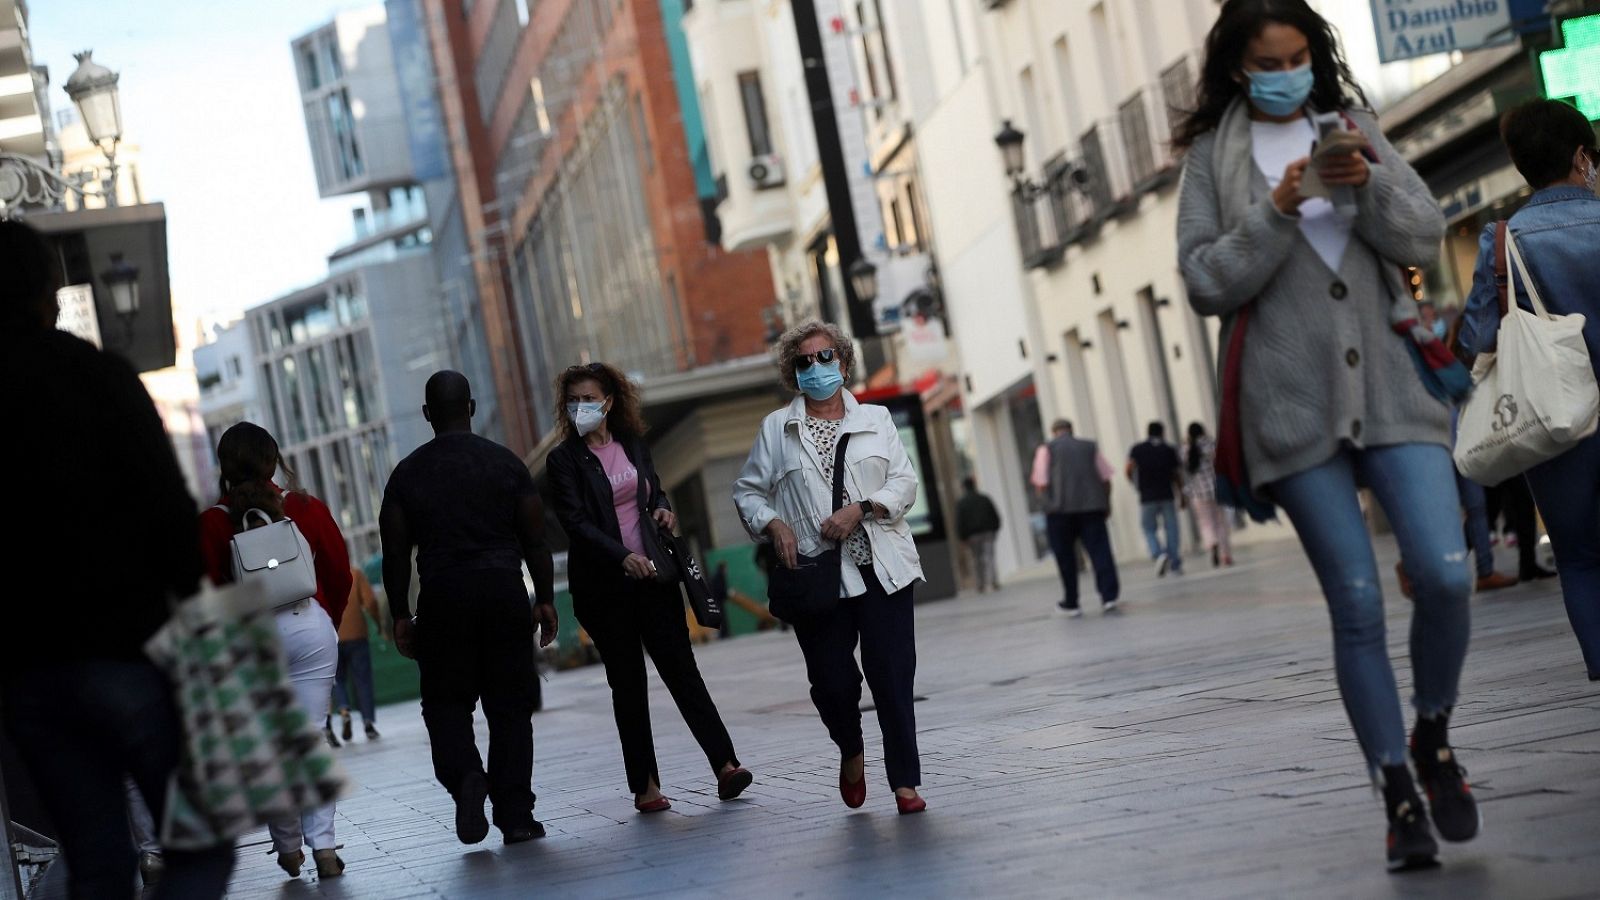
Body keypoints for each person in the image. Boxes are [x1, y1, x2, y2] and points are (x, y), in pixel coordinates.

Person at [1175, 0, 1477, 869]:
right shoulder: (1212, 159)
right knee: (1355, 601)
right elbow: (1201, 280)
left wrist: (1363, 185)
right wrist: (1277, 209)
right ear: (1240, 66)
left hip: (1392, 389)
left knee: (1447, 573)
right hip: (1289, 408)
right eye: (1270, 60)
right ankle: (1396, 791)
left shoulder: (1354, 125)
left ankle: (1433, 736)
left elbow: (1422, 231)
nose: (1288, 70)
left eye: (1300, 55)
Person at [0, 219, 236, 899]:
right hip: (124, 647)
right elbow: (167, 506)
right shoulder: (97, 377)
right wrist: (192, 609)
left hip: (28, 673)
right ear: (48, 292)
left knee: (99, 860)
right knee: (203, 843)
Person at [734, 320, 927, 815]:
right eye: (804, 361)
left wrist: (861, 508)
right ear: (792, 372)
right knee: (833, 683)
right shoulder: (777, 429)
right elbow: (748, 492)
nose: (816, 367)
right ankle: (850, 746)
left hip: (882, 566)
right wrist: (774, 524)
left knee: (892, 675)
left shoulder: (877, 419)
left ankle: (905, 783)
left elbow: (903, 482)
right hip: (818, 575)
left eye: (825, 357)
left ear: (843, 361)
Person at [547, 362, 752, 813]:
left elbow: (653, 491)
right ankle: (646, 787)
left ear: (610, 401)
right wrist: (622, 557)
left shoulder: (633, 445)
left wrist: (662, 509)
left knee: (683, 671)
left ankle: (726, 766)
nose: (581, 406)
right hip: (605, 589)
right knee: (629, 684)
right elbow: (576, 523)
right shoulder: (563, 461)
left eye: (589, 398)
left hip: (655, 577)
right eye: (573, 399)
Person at [379, 371, 558, 846]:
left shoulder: (407, 474)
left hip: (443, 597)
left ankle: (465, 779)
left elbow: (395, 552)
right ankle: (516, 815)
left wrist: (400, 612)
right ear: (472, 407)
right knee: (510, 709)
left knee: (445, 703)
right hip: (502, 590)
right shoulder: (506, 464)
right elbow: (535, 539)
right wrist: (544, 597)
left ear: (426, 415)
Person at [1457, 98, 1600, 681]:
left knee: (1580, 556)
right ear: (1582, 158)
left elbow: (1475, 337)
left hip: (1558, 422)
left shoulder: (1501, 243)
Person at [198, 422, 352, 879]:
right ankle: (323, 847)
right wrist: (327, 620)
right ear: (273, 461)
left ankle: (287, 847)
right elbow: (339, 572)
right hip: (309, 628)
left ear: (224, 467)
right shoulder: (304, 506)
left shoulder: (211, 522)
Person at [1031, 419, 1120, 616]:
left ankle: (1072, 602)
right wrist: (1105, 504)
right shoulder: (1089, 447)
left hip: (1060, 512)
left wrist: (1048, 506)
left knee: (1066, 558)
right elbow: (1106, 479)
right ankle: (1108, 597)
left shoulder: (1046, 450)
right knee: (1100, 552)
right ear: (1071, 430)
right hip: (1091, 509)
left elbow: (1040, 483)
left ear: (1054, 432)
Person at [329, 565, 384, 745]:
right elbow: (370, 602)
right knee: (363, 680)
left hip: (332, 636)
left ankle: (344, 709)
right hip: (357, 635)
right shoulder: (355, 573)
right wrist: (378, 623)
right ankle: (368, 722)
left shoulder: (321, 578)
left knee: (338, 678)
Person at [1127, 422, 1186, 576]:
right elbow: (1176, 474)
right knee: (1171, 528)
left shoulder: (1137, 449)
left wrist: (1135, 483)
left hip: (1147, 496)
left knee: (1148, 528)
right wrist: (1181, 494)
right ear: (1162, 432)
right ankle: (1174, 561)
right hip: (1167, 494)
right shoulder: (1168, 449)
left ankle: (1158, 553)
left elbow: (1129, 468)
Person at [1184, 422, 1234, 567]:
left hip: (1198, 493)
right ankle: (1225, 555)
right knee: (1221, 523)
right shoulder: (1212, 444)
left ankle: (1212, 543)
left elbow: (1185, 471)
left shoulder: (1186, 449)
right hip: (1217, 489)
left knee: (1206, 523)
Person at [954, 477, 1003, 593]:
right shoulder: (985, 498)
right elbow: (995, 515)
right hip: (988, 533)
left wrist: (962, 537)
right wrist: (995, 529)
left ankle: (980, 584)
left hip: (973, 536)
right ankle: (992, 581)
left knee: (976, 560)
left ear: (964, 488)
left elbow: (960, 522)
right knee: (989, 557)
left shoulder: (962, 503)